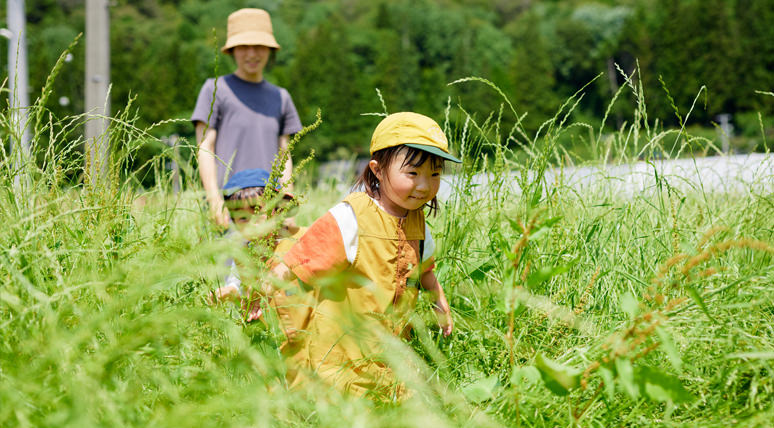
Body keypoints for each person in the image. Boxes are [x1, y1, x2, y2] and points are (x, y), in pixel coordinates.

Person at [251, 112, 458, 399]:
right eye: (413, 173)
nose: (424, 185)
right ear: (378, 170)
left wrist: (439, 303)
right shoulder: (351, 216)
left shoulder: (418, 223)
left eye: (434, 174)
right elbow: (297, 262)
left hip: (391, 350)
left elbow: (425, 271)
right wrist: (261, 292)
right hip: (341, 352)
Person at [192, 8, 302, 228]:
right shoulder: (216, 90)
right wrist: (214, 200)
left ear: (270, 50)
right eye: (244, 47)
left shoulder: (281, 97)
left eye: (259, 46)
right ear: (232, 50)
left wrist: (287, 201)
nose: (252, 54)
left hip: (269, 205)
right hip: (230, 206)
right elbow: (205, 147)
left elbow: (284, 153)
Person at [208, 168, 304, 310]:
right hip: (269, 327)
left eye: (258, 211)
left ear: (278, 210)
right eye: (242, 218)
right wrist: (232, 290)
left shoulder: (299, 240)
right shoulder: (243, 254)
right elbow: (239, 283)